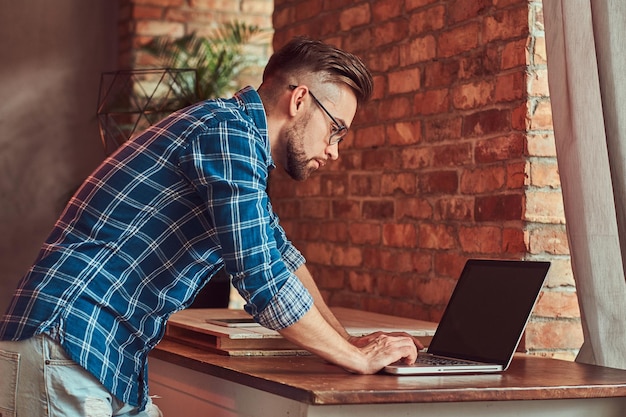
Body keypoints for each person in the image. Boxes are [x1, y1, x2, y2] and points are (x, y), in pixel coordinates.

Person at [0, 36, 421, 416]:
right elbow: (262, 279)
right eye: (336, 130)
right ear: (299, 100)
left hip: (98, 355)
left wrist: (346, 345)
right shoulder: (226, 131)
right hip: (67, 343)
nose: (333, 151)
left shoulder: (239, 143)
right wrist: (356, 358)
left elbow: (280, 256)